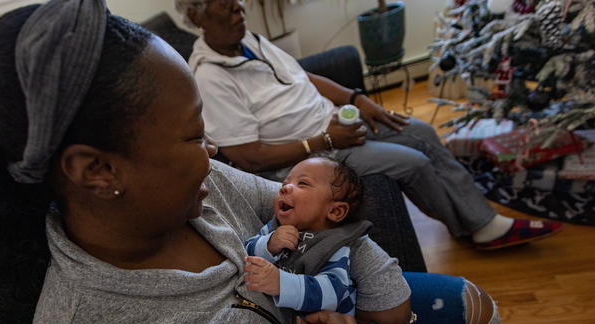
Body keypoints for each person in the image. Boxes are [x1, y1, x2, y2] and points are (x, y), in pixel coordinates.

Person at [0, 0, 556, 324]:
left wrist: (383, 287)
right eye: (195, 135)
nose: (215, 152)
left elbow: (308, 218)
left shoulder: (196, 192)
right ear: (97, 170)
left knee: (475, 310)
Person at [177, 0, 563, 251]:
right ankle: (474, 228)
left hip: (334, 127)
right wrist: (326, 138)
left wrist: (356, 98)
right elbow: (249, 157)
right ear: (196, 15)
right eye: (222, 2)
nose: (238, 6)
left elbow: (303, 76)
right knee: (413, 162)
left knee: (424, 133)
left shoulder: (250, 40)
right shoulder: (210, 76)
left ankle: (480, 222)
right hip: (314, 156)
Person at [244, 156, 405, 324]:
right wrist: (269, 245)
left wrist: (279, 283)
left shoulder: (333, 244)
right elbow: (247, 250)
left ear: (335, 211)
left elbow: (332, 293)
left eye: (303, 183)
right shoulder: (275, 227)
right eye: (285, 183)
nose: (285, 188)